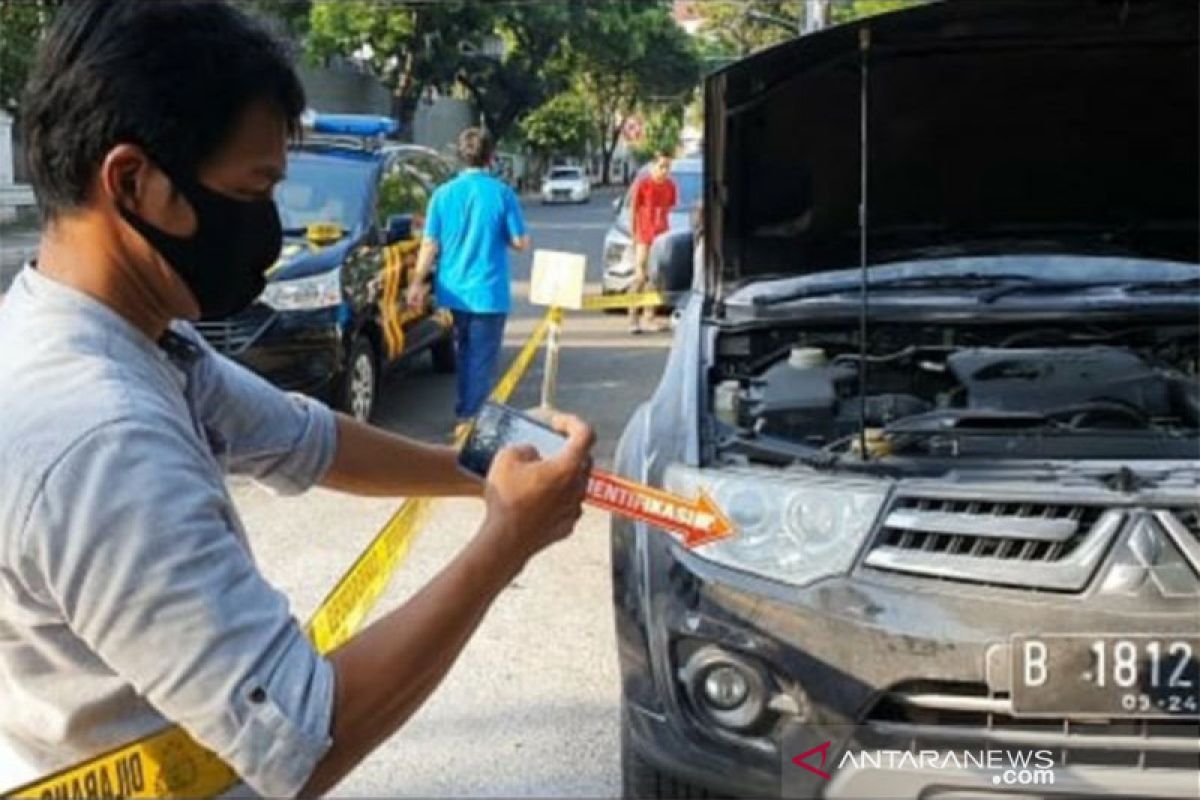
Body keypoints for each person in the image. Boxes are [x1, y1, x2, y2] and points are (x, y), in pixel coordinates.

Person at [0, 2, 593, 796]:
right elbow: (302, 738)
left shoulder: (115, 331)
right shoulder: (99, 439)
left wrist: (482, 469)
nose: (270, 229)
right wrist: (508, 540)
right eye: (255, 190)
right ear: (133, 181)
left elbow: (301, 437)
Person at [407, 128, 529, 438]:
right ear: (491, 157)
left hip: (454, 291)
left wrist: (417, 283)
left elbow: (429, 244)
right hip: (489, 292)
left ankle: (465, 412)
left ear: (462, 155)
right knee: (482, 359)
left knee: (464, 352)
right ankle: (471, 421)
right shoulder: (502, 194)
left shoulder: (442, 195)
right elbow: (520, 242)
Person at [627, 151, 677, 334]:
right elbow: (633, 211)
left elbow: (669, 207)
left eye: (667, 167)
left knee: (655, 278)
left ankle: (649, 317)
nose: (664, 171)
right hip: (643, 236)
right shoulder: (643, 184)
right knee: (640, 276)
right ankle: (633, 317)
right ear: (653, 166)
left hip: (661, 236)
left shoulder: (670, 186)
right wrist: (634, 235)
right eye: (661, 166)